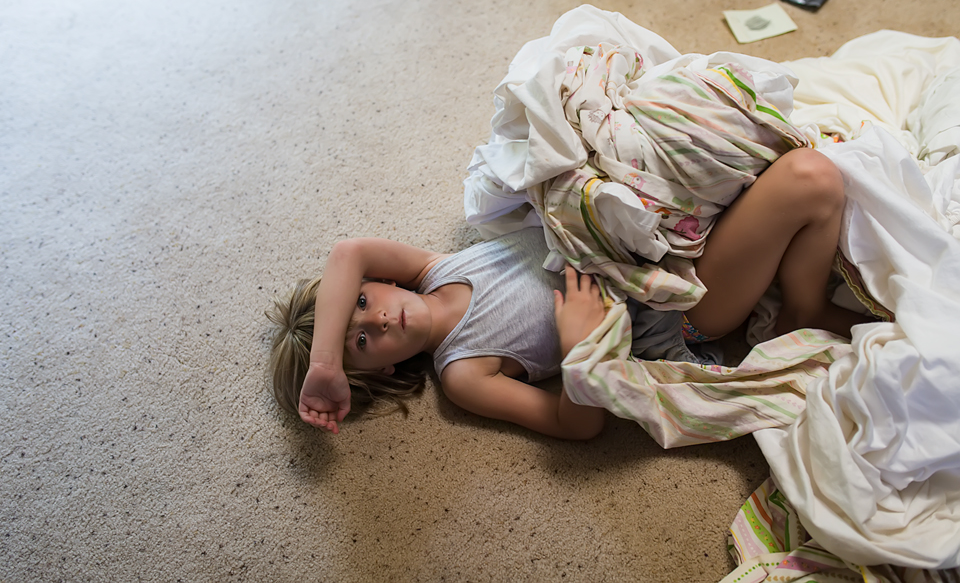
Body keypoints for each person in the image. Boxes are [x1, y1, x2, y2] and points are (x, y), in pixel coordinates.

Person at [267, 148, 871, 440]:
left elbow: (347, 250)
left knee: (749, 153)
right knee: (810, 178)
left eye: (361, 306)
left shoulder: (434, 266)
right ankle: (802, 312)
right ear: (387, 368)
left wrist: (327, 363)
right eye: (363, 343)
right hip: (676, 309)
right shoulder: (463, 376)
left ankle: (796, 297)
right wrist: (582, 352)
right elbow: (573, 428)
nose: (378, 321)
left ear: (379, 283)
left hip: (646, 240)